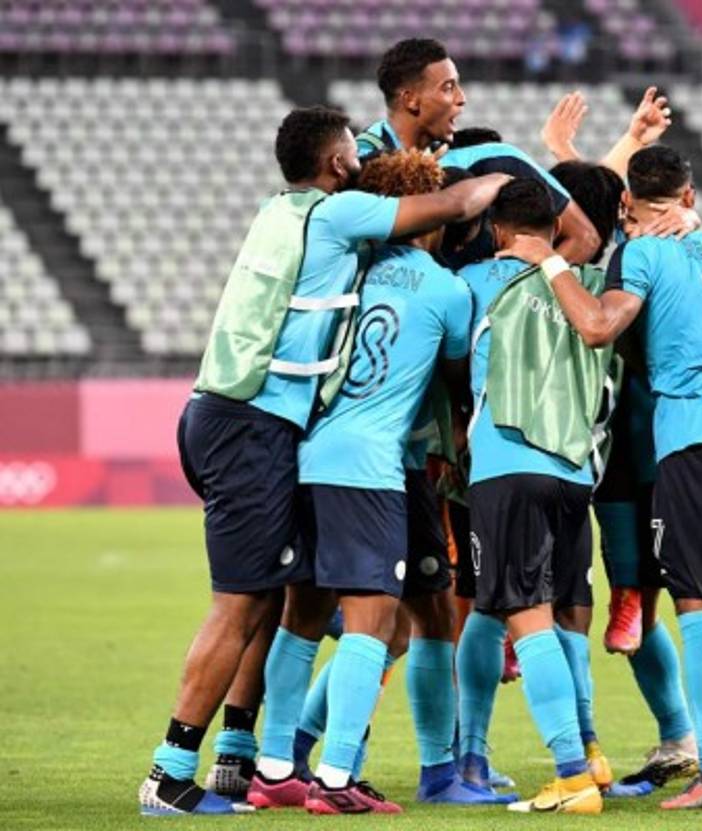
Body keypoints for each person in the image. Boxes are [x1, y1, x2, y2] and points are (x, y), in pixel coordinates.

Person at [138, 107, 508, 816]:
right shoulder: (341, 219)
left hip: (272, 431)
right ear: (338, 165)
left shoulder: (283, 214)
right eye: (349, 154)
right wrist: (511, 180)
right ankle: (173, 771)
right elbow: (456, 203)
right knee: (248, 601)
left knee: (279, 600)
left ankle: (244, 762)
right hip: (263, 426)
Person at [496, 145, 702, 810]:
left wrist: (548, 259)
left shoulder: (640, 256)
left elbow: (600, 327)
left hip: (696, 440)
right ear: (687, 197)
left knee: (700, 610)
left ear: (629, 207)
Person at [458, 178, 610, 815]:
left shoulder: (474, 283)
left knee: (524, 615)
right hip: (575, 471)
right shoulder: (588, 285)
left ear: (497, 231)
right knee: (566, 612)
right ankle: (593, 753)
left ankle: (570, 774)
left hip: (507, 464)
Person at [355, 37, 599, 266]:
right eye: (448, 87)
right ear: (411, 99)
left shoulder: (495, 160)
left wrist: (514, 299)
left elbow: (585, 238)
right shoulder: (358, 161)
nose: (462, 98)